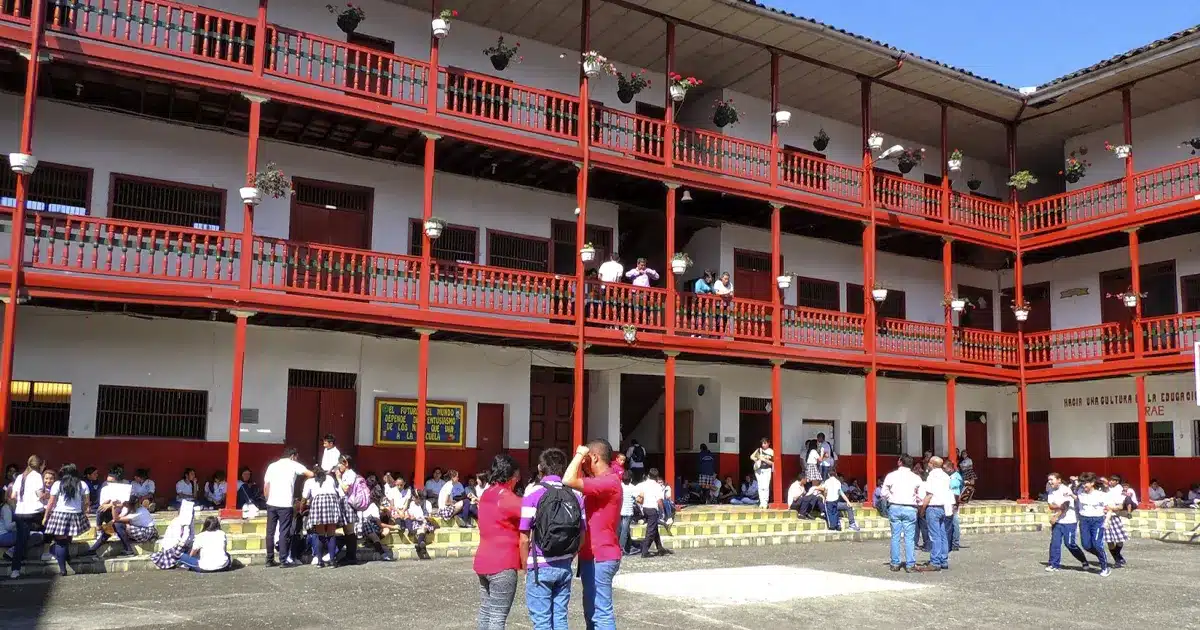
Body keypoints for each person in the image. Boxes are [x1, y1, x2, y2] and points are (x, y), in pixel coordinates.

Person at [520, 448, 585, 630]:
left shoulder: (532, 493)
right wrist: (568, 557)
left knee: (541, 622)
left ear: (541, 468)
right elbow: (582, 535)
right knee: (561, 618)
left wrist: (526, 566)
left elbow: (524, 537)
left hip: (539, 566)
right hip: (564, 565)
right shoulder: (576, 495)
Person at [563, 439, 622, 630]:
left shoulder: (608, 481)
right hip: (592, 555)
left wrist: (579, 454)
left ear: (594, 457)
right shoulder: (602, 481)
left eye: (587, 459)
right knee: (590, 610)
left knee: (601, 612)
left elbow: (568, 480)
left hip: (601, 555)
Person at [475, 454, 523, 630]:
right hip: (503, 562)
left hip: (483, 559)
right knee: (498, 617)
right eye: (517, 476)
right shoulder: (507, 497)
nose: (518, 480)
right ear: (511, 476)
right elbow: (532, 511)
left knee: (486, 612)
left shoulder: (487, 493)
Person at [262, 447, 314, 568]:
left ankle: (269, 559)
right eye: (297, 457)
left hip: (271, 502)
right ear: (293, 456)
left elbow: (266, 486)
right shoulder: (293, 464)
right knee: (284, 532)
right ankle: (283, 560)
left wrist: (267, 499)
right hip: (285, 503)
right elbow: (310, 474)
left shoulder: (272, 466)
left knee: (270, 532)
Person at [42, 463, 91, 577]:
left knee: (60, 542)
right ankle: (67, 557)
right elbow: (87, 502)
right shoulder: (82, 484)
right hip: (76, 514)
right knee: (68, 537)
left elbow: (51, 502)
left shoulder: (58, 484)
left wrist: (46, 516)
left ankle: (63, 569)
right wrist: (83, 511)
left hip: (60, 514)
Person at [881, 454, 922, 572]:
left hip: (895, 506)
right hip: (910, 507)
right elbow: (921, 495)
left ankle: (895, 563)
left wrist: (891, 497)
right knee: (910, 537)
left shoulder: (891, 476)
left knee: (895, 536)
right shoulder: (916, 478)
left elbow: (884, 493)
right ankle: (910, 564)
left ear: (900, 462)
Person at [7, 455, 45, 579]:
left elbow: (12, 495)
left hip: (20, 512)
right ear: (40, 465)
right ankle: (48, 553)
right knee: (48, 528)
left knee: (21, 539)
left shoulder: (19, 477)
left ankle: (15, 570)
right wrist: (48, 496)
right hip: (34, 511)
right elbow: (39, 495)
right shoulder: (37, 476)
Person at [1045, 472, 1089, 572]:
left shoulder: (1065, 489)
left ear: (1059, 480)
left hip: (1069, 521)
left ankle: (1083, 560)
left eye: (1052, 479)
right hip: (1058, 522)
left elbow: (1065, 505)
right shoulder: (1051, 490)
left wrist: (1056, 515)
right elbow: (1051, 506)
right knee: (1055, 543)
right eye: (1049, 479)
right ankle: (1054, 564)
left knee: (1069, 544)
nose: (1050, 481)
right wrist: (1058, 508)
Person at [916, 456, 953, 571]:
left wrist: (922, 509)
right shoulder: (946, 476)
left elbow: (929, 494)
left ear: (931, 464)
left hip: (933, 507)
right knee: (942, 535)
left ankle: (935, 561)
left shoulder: (932, 476)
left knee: (934, 535)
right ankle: (943, 559)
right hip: (943, 507)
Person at [302, 466, 343, 568]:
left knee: (320, 534)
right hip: (332, 502)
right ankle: (333, 561)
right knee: (331, 534)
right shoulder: (330, 478)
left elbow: (304, 497)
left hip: (318, 503)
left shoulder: (309, 481)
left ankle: (320, 561)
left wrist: (301, 508)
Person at [1075, 472, 1110, 576]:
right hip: (1084, 520)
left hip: (1097, 520)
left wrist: (1106, 521)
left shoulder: (1100, 495)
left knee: (1097, 543)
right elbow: (1076, 497)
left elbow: (1109, 509)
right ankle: (1101, 556)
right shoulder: (1080, 492)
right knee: (1086, 545)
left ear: (1092, 483)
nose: (1084, 485)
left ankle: (1105, 567)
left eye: (1086, 483)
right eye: (1082, 483)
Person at [635, 468, 671, 558]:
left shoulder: (642, 484)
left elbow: (635, 493)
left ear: (648, 475)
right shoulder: (657, 486)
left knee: (654, 528)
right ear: (656, 477)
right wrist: (663, 511)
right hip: (652, 509)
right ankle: (645, 551)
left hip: (644, 509)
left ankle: (660, 548)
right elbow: (659, 500)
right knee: (651, 530)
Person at [750, 437, 774, 509]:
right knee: (760, 486)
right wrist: (756, 459)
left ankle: (765, 502)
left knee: (765, 486)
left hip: (767, 470)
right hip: (759, 470)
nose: (763, 445)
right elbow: (751, 456)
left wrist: (764, 459)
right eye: (762, 443)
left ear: (768, 443)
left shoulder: (771, 451)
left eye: (765, 443)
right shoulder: (759, 450)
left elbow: (772, 463)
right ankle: (761, 502)